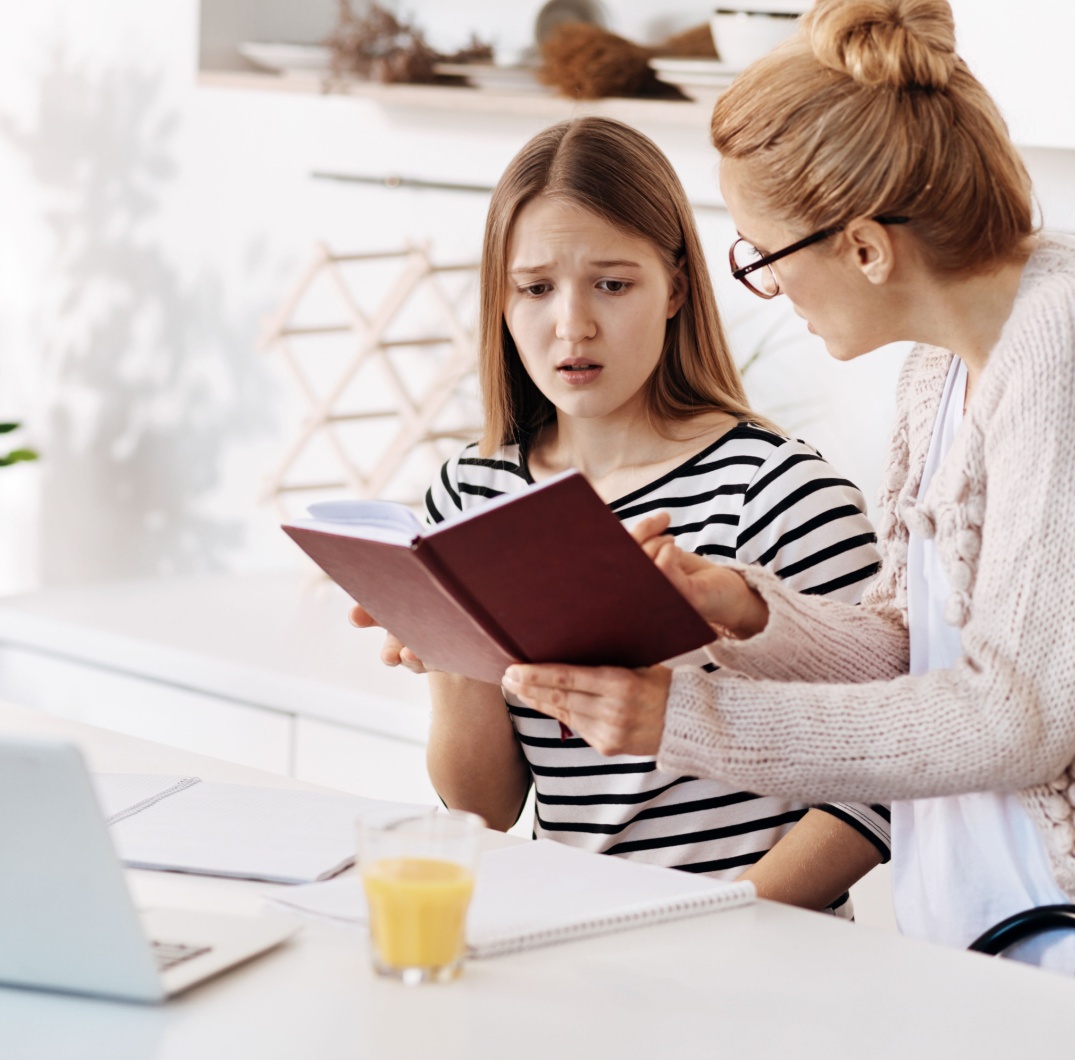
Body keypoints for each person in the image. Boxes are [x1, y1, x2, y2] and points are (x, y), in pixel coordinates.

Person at [500, 0, 1075, 1027]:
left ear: (865, 248)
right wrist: (742, 613)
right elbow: (915, 648)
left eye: (761, 256)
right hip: (994, 955)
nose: (760, 286)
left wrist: (684, 719)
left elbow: (1014, 715)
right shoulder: (942, 369)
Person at [355, 116, 890, 914]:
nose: (573, 325)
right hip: (564, 934)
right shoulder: (471, 494)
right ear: (500, 301)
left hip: (749, 963)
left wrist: (724, 919)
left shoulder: (778, 491)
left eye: (612, 283)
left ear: (675, 287)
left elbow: (883, 777)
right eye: (536, 288)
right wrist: (452, 656)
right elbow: (483, 811)